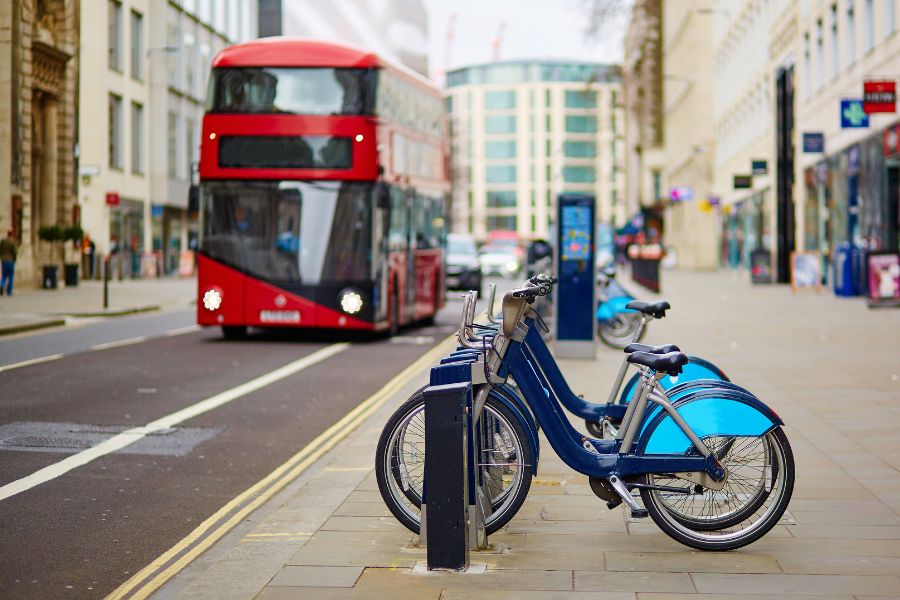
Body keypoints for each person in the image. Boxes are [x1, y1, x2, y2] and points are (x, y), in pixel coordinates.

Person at [0, 230, 18, 296]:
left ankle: (1, 285)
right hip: (10, 260)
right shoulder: (12, 242)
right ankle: (9, 291)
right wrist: (15, 259)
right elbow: (15, 252)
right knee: (11, 276)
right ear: (12, 235)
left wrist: (1, 257)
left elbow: (0, 250)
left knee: (4, 275)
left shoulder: (3, 241)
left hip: (4, 260)